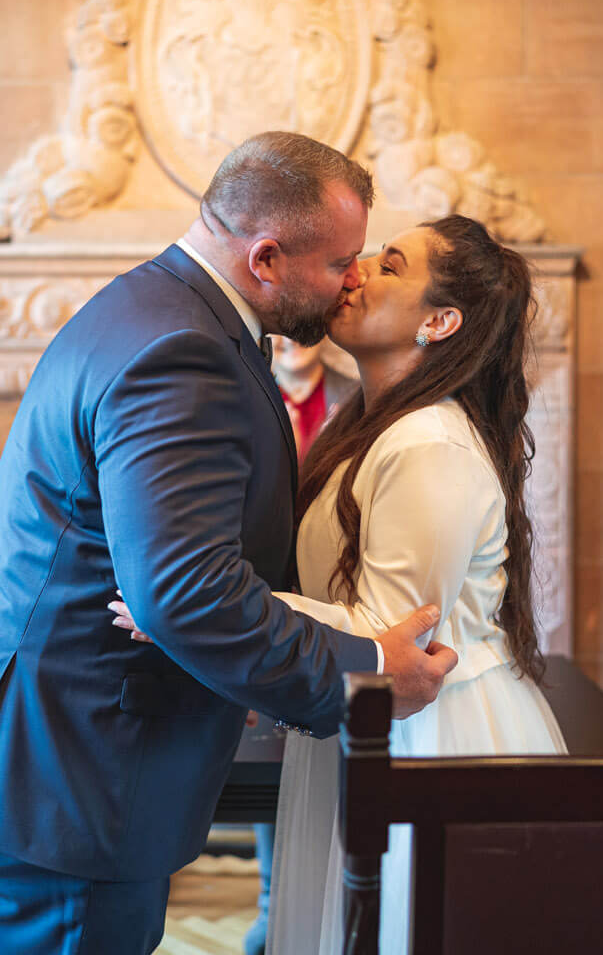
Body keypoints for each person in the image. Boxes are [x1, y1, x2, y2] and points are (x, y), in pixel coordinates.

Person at [0, 132, 456, 955]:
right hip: (70, 772)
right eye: (341, 262)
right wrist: (365, 672)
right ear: (266, 257)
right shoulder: (182, 351)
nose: (351, 281)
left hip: (43, 751)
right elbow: (184, 593)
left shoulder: (163, 307)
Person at [116, 215, 568, 952]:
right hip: (373, 724)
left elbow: (394, 637)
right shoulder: (377, 426)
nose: (355, 271)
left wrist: (198, 607)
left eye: (390, 266)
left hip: (430, 734)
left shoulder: (428, 443)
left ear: (441, 321)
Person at [245, 337, 359, 955]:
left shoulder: (353, 391)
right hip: (259, 584)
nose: (291, 342)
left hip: (323, 584)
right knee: (270, 753)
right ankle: (271, 900)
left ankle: (322, 901)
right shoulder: (245, 384)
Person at [273, 336, 359, 461]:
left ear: (324, 334)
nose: (290, 340)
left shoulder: (357, 398)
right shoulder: (245, 402)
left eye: (303, 324)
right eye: (278, 329)